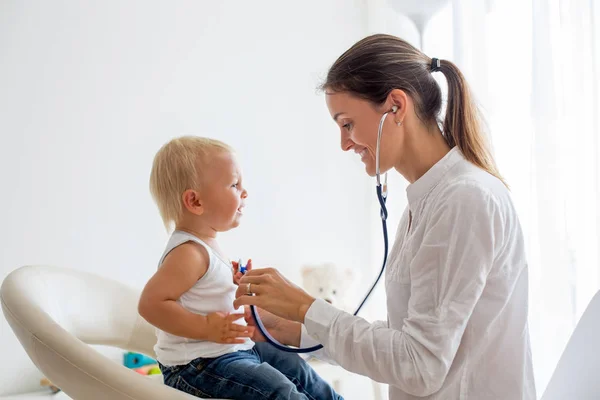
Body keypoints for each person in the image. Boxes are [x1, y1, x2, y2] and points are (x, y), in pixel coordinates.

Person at [234, 34, 536, 400]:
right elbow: (402, 346)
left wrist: (304, 305)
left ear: (395, 106)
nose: (344, 143)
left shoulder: (464, 200)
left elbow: (418, 365)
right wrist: (289, 328)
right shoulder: (428, 202)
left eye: (347, 124)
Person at [138, 136, 342, 400]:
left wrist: (235, 283)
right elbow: (150, 304)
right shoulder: (188, 253)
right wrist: (205, 328)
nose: (244, 192)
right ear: (195, 202)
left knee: (296, 368)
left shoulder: (206, 247)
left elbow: (205, 296)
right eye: (234, 185)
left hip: (233, 351)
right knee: (279, 390)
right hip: (198, 366)